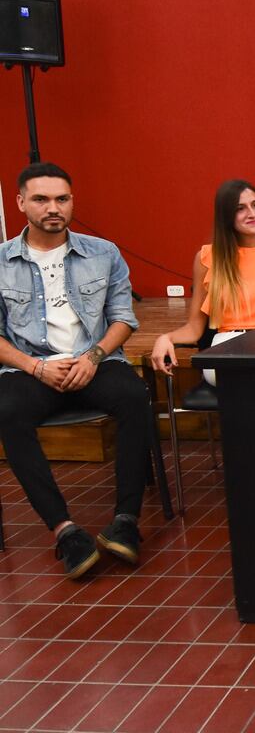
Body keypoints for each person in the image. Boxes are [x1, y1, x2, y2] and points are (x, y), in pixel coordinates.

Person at [0, 163, 151, 578]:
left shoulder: (104, 253)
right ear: (20, 203)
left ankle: (126, 522)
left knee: (135, 397)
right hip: (32, 369)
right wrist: (35, 367)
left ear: (71, 202)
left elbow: (123, 319)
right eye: (41, 199)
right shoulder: (0, 262)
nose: (53, 208)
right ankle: (65, 531)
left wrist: (93, 358)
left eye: (62, 199)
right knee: (7, 412)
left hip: (94, 361)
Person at [150, 179, 255, 383]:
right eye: (240, 208)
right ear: (226, 217)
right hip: (229, 345)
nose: (252, 213)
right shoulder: (207, 258)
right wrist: (166, 338)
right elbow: (195, 328)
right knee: (252, 377)